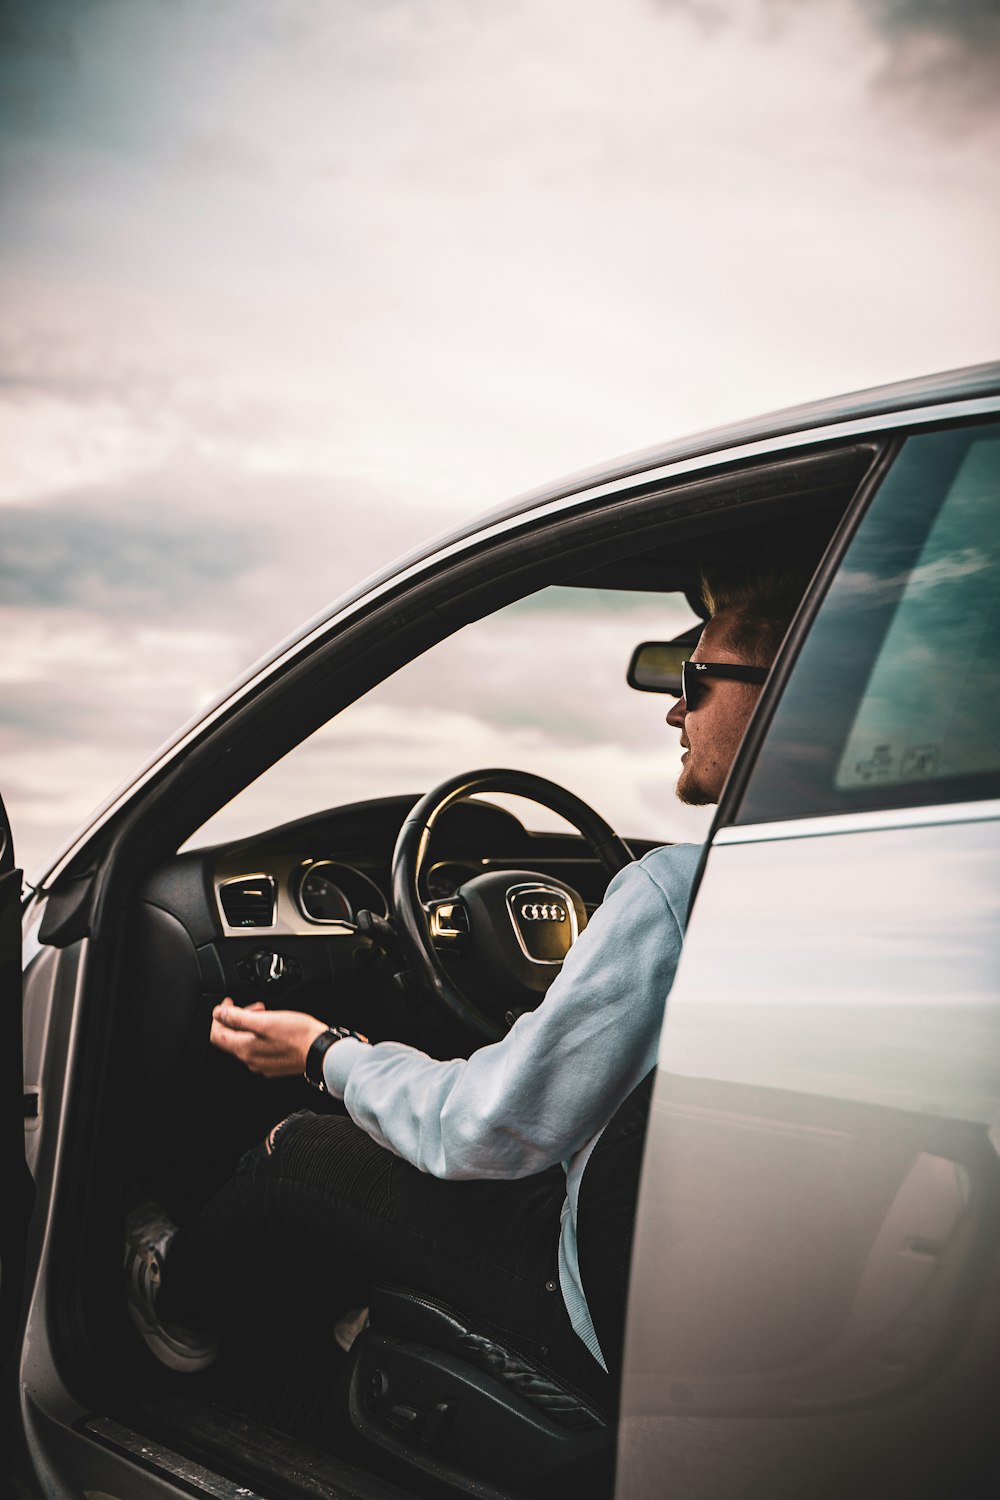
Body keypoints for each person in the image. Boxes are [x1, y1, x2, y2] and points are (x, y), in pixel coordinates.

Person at [125, 560, 807, 1387]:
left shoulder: (674, 894)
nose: (672, 707)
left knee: (297, 1149)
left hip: (609, 1299)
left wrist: (324, 1051)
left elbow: (483, 1128)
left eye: (696, 678)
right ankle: (357, 1311)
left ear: (789, 693)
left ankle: (173, 1306)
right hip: (756, 1290)